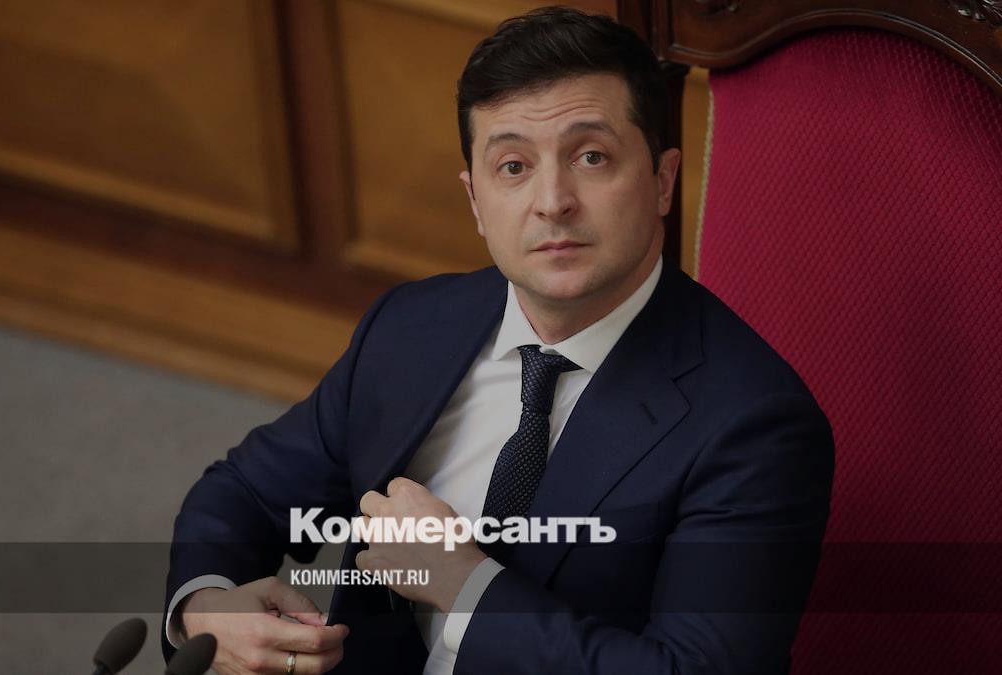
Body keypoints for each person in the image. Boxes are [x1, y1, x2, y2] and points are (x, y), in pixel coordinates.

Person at [164, 6, 833, 674]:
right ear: (476, 202)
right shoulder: (412, 325)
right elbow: (244, 492)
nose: (553, 201)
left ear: (662, 181)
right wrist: (206, 605)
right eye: (513, 166)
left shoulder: (753, 423)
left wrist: (466, 587)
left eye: (591, 157)